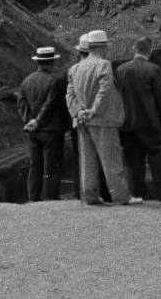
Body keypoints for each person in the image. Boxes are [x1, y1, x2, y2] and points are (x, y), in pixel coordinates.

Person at [66, 29, 132, 206]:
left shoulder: (74, 69)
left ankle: (90, 196)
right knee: (111, 160)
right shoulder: (104, 65)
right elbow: (105, 90)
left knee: (87, 161)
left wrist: (78, 112)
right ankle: (120, 196)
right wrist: (94, 110)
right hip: (102, 119)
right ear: (103, 46)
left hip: (82, 120)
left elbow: (70, 95)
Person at [115, 36, 161, 202]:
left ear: (134, 49)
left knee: (134, 163)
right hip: (150, 123)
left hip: (127, 123)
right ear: (150, 50)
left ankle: (137, 193)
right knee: (158, 159)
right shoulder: (154, 69)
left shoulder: (121, 70)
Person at [16, 46, 69, 201]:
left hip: (33, 132)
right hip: (51, 131)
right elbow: (50, 104)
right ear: (52, 62)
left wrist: (29, 122)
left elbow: (21, 103)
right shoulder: (54, 81)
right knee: (51, 167)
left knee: (35, 166)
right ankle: (51, 199)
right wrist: (38, 121)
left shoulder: (26, 81)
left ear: (38, 62)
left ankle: (33, 198)